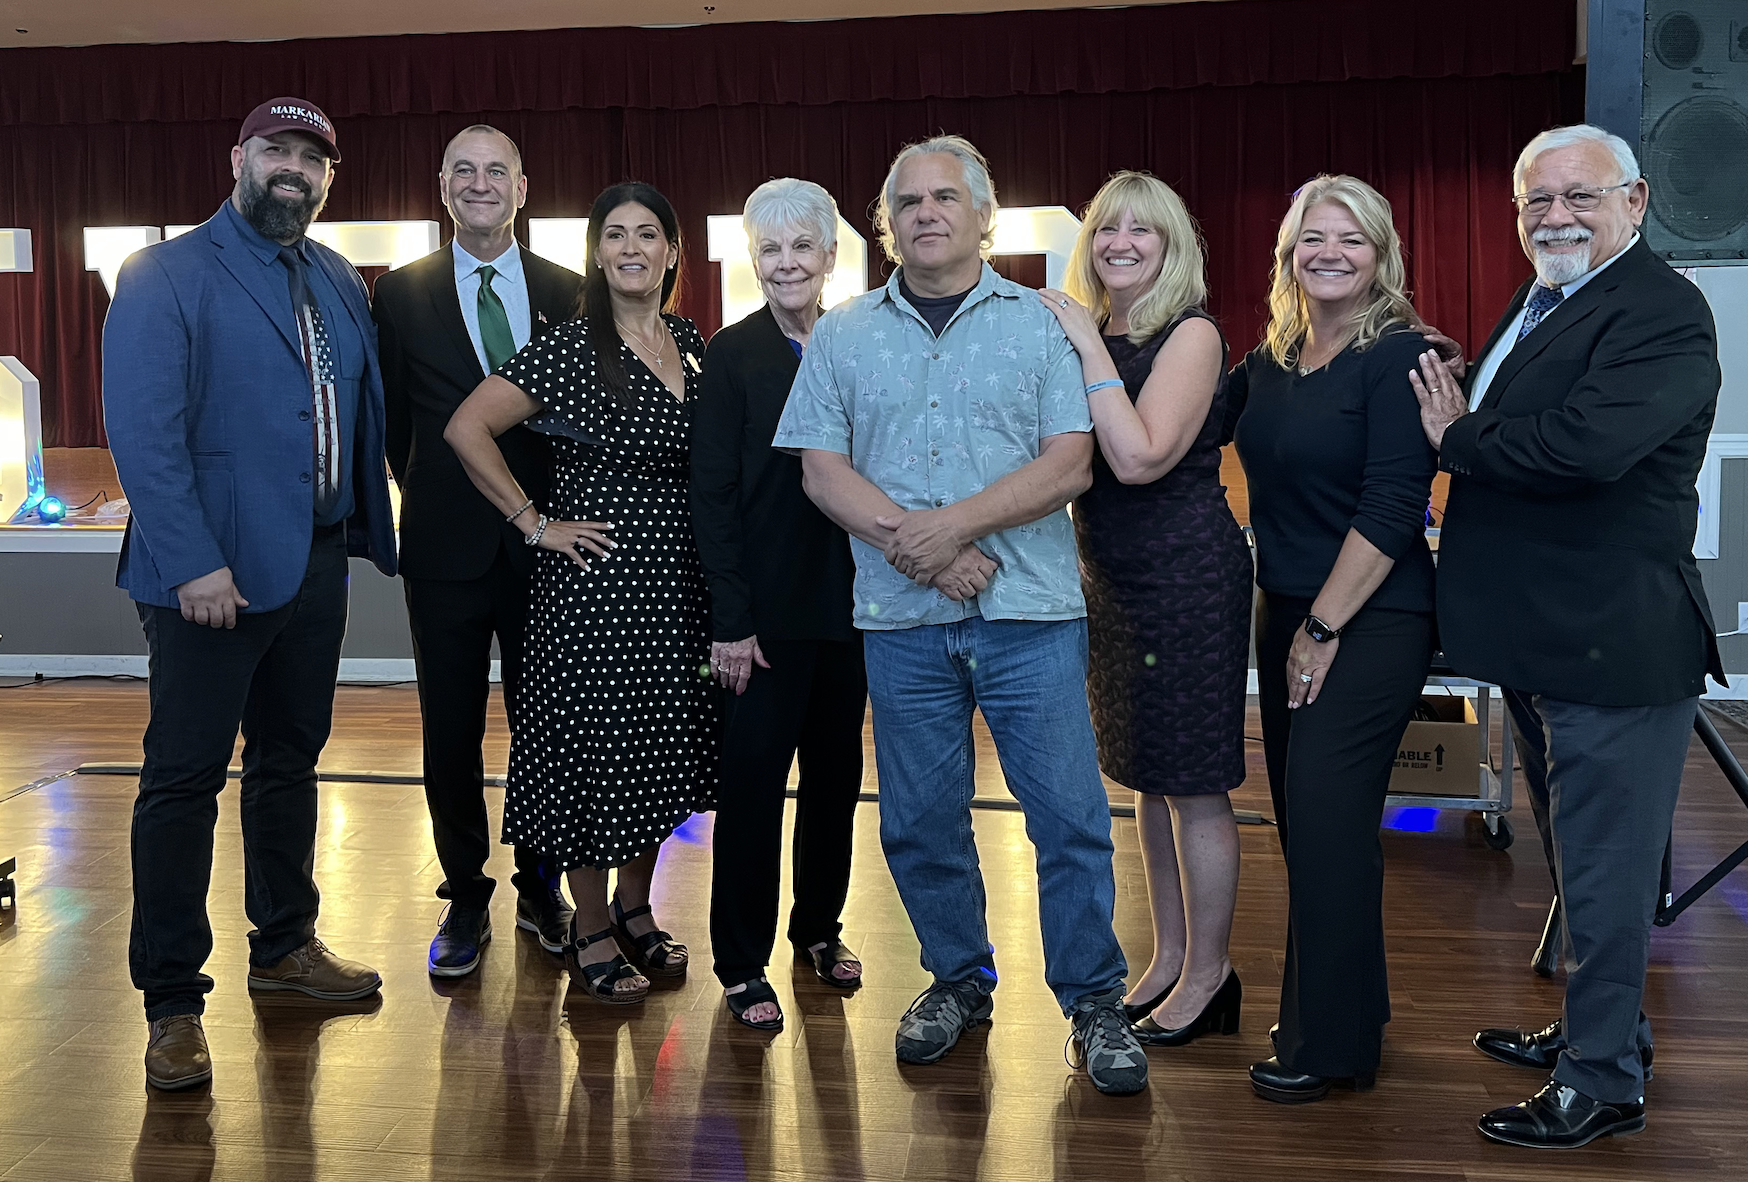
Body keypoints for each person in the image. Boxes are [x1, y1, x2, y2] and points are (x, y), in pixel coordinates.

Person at [775, 135, 1149, 1096]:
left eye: (947, 198)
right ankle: (957, 981)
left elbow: (1072, 464)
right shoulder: (845, 334)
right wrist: (921, 545)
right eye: (908, 202)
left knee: (1068, 818)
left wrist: (946, 530)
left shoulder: (1042, 324)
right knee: (919, 822)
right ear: (887, 226)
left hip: (1031, 616)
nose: (927, 213)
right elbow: (822, 471)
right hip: (901, 624)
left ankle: (1095, 1004)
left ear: (985, 215)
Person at [1410, 124, 1724, 1149]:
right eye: (1535, 200)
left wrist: (1456, 435)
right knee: (1576, 858)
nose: (1554, 216)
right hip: (1547, 643)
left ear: (1634, 203)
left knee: (1604, 868)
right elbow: (1528, 404)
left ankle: (1601, 1083)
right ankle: (1601, 1031)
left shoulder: (1662, 313)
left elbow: (1584, 448)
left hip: (1613, 647)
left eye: (1578, 197)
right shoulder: (1552, 293)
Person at [102, 96, 398, 1091]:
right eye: (276, 148)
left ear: (329, 178)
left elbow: (353, 411)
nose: (294, 167)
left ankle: (284, 948)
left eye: (313, 156)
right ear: (238, 156)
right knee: (184, 784)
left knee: (288, 762)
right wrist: (192, 562)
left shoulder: (335, 279)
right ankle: (172, 1004)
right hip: (208, 580)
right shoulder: (166, 273)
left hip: (315, 562)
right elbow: (143, 432)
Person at [444, 182, 717, 1005]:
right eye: (615, 237)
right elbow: (466, 426)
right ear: (596, 254)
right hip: (595, 592)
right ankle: (591, 924)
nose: (631, 249)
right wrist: (535, 522)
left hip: (677, 589)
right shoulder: (569, 346)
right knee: (596, 758)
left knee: (658, 753)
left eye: (648, 235)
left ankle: (638, 909)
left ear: (671, 251)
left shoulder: (688, 339)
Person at [1227, 175, 1438, 1103]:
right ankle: (1341, 1016)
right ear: (1289, 254)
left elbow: (1395, 508)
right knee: (1312, 829)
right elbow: (1182, 426)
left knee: (1325, 822)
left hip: (1367, 618)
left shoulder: (1398, 356)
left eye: (1351, 240)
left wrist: (1320, 628)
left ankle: (1333, 1046)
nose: (1331, 254)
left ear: (1381, 252)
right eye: (1313, 238)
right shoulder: (1273, 356)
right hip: (1287, 612)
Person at [1036, 171, 1249, 1044]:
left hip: (1187, 581)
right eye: (1107, 228)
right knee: (1149, 783)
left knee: (1194, 786)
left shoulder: (1189, 333)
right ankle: (1167, 959)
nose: (1121, 242)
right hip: (1114, 584)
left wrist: (1084, 342)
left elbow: (1140, 457)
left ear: (1173, 246)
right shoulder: (1105, 330)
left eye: (1143, 231)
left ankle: (1211, 976)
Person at [373, 125, 583, 977]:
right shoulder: (399, 294)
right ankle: (466, 894)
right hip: (445, 547)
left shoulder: (573, 291)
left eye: (497, 170)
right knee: (449, 732)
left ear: (523, 188)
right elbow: (392, 425)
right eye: (464, 169)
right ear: (443, 187)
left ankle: (542, 887)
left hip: (550, 548)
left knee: (547, 729)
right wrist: (436, 495)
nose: (481, 182)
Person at [691, 179, 867, 1031]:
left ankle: (818, 933)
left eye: (804, 247)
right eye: (771, 249)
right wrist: (731, 622)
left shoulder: (862, 340)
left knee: (835, 787)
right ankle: (740, 961)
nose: (787, 263)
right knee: (754, 795)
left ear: (832, 257)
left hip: (856, 615)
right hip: (761, 625)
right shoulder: (732, 355)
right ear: (752, 261)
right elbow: (713, 497)